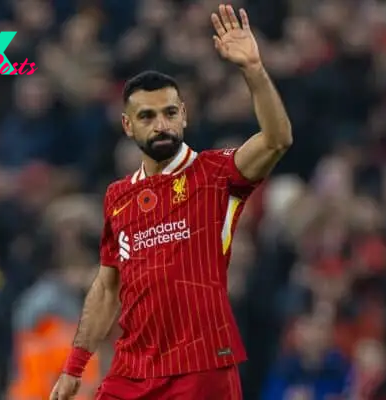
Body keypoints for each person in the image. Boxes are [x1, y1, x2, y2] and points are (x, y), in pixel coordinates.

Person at [50, 4, 292, 399]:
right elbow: (108, 286)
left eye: (169, 113)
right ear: (128, 126)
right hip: (131, 370)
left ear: (184, 117)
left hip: (200, 368)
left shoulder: (215, 174)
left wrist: (253, 71)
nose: (161, 124)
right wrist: (75, 366)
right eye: (146, 116)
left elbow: (277, 140)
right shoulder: (117, 197)